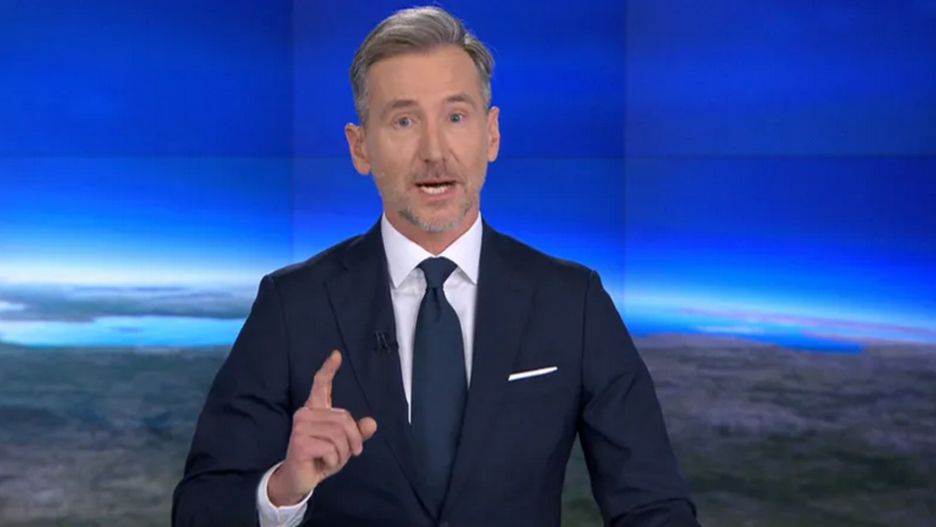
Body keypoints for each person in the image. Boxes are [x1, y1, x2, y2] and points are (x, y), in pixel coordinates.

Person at [173, 6, 699, 527]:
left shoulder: (573, 302)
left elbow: (654, 507)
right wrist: (283, 489)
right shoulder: (293, 307)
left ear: (491, 134)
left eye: (455, 117)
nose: (434, 151)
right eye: (404, 121)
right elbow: (199, 508)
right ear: (360, 147)